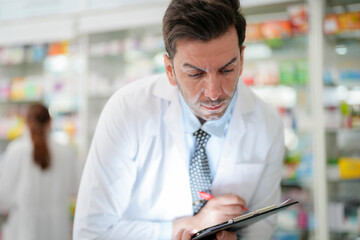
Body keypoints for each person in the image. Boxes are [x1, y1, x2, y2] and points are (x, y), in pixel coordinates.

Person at [73, 0, 284, 239]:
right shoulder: (127, 111)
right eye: (195, 74)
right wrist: (189, 226)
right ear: (170, 70)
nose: (214, 92)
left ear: (242, 59)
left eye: (226, 70)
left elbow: (263, 226)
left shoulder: (268, 123)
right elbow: (91, 231)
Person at [0, 103, 78, 240]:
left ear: (26, 122)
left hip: (23, 228)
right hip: (56, 228)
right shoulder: (65, 151)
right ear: (50, 122)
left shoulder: (16, 150)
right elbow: (74, 187)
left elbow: (4, 196)